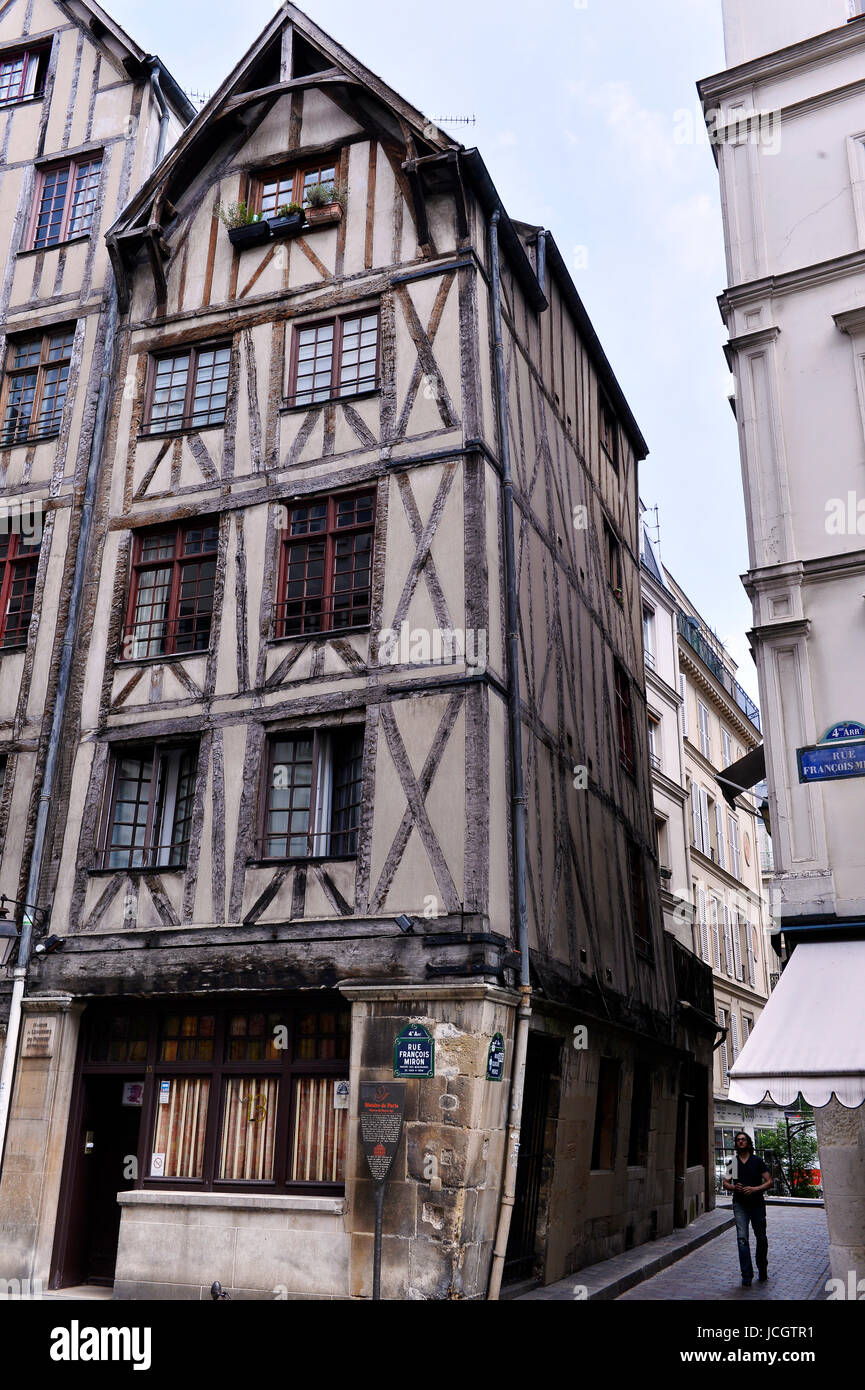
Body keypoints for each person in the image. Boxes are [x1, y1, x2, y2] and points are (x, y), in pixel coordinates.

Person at [723, 1130, 772, 1286]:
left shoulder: (757, 1161)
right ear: (736, 1144)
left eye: (743, 1139)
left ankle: (762, 1268)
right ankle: (746, 1275)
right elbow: (725, 1183)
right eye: (738, 1140)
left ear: (749, 1143)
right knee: (742, 1239)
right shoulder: (733, 1163)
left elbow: (769, 1181)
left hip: (757, 1203)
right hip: (740, 1204)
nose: (741, 1142)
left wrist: (755, 1189)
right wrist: (733, 1187)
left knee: (761, 1237)